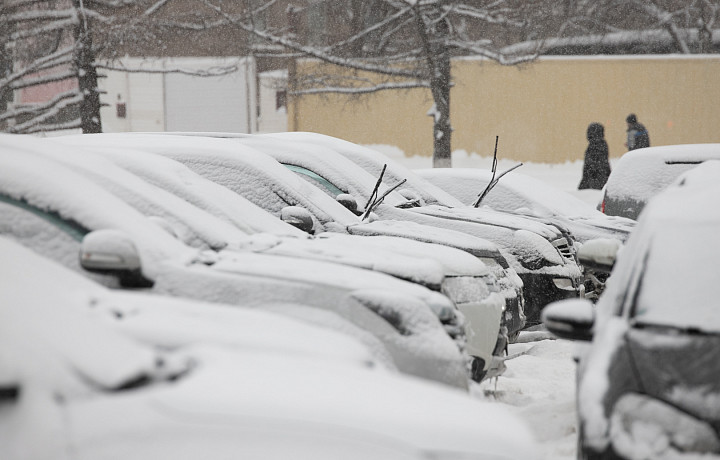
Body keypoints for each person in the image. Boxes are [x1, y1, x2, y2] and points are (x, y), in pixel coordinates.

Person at [578, 122, 611, 190]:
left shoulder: (596, 145)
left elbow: (594, 165)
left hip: (595, 182)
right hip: (597, 179)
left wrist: (586, 182)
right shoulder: (599, 144)